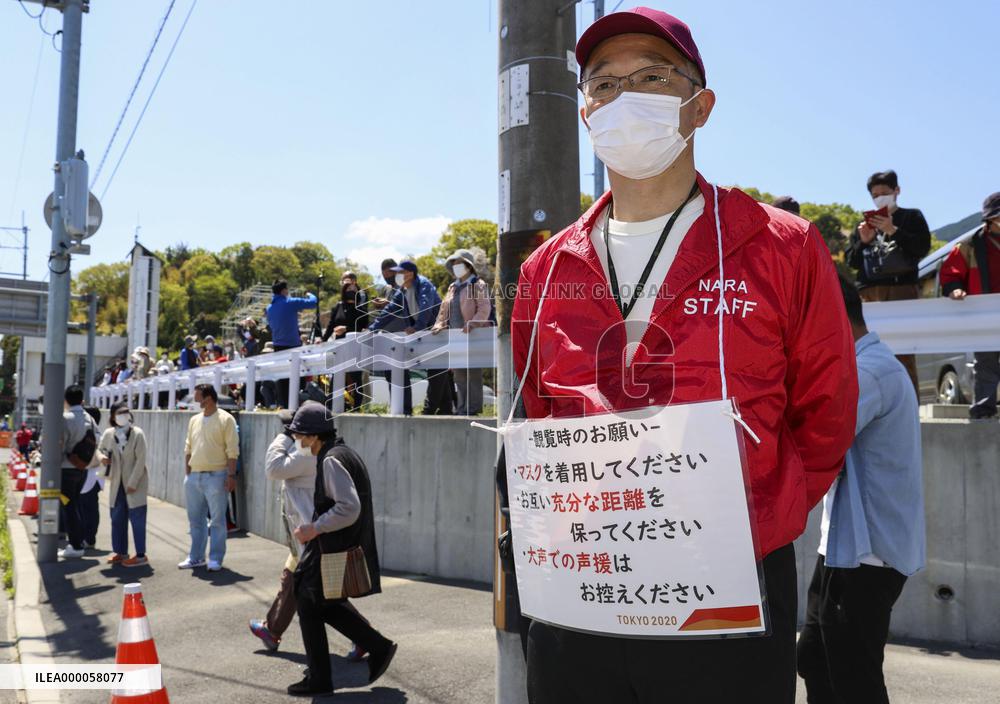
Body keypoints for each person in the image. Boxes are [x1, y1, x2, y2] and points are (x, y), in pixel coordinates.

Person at [509, 8, 857, 702]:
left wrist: (761, 515)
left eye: (650, 77)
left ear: (700, 107)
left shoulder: (781, 245)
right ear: (585, 115)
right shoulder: (545, 269)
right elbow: (539, 416)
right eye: (602, 85)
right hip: (587, 585)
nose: (621, 98)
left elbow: (826, 413)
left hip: (729, 586)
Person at [797, 277, 925, 703]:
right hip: (845, 548)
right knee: (816, 658)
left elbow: (819, 438)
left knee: (853, 677)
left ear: (832, 316)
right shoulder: (863, 366)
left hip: (868, 554)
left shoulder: (870, 372)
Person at [285, 401, 397, 697]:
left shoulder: (331, 459)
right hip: (340, 545)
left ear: (313, 435)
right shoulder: (343, 453)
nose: (298, 440)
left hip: (333, 546)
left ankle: (323, 677)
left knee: (309, 600)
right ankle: (375, 648)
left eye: (300, 435)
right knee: (320, 603)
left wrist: (314, 528)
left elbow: (349, 507)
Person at [847, 170, 931, 394]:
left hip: (901, 290)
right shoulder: (863, 225)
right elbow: (851, 261)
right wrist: (863, 242)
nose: (879, 198)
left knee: (904, 351)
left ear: (897, 191)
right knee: (865, 350)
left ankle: (909, 405)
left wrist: (893, 230)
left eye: (884, 193)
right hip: (869, 293)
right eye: (875, 194)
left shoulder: (912, 217)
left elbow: (922, 248)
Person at [939, 191, 1000, 418]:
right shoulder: (970, 245)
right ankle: (983, 411)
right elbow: (949, 272)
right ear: (990, 218)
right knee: (986, 364)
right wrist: (954, 288)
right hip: (983, 315)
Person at [180, 384, 239, 571]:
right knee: (195, 521)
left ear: (208, 398)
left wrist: (231, 475)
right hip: (194, 475)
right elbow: (188, 446)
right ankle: (196, 557)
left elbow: (232, 450)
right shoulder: (194, 420)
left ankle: (215, 558)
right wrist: (187, 472)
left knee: (218, 521)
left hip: (217, 475)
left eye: (198, 396)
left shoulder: (226, 419)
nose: (196, 400)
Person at [431, 248, 492, 415]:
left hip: (472, 335)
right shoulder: (452, 287)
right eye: (454, 264)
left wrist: (473, 323)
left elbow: (484, 308)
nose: (456, 267)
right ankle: (461, 408)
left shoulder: (477, 284)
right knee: (458, 374)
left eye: (459, 263)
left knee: (473, 373)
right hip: (455, 336)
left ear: (468, 266)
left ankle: (472, 409)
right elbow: (444, 310)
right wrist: (439, 325)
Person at [99, 402, 150, 567]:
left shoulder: (137, 434)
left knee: (137, 518)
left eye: (124, 413)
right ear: (113, 417)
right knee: (117, 518)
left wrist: (133, 482)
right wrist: (102, 458)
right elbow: (100, 450)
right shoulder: (109, 433)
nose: (122, 416)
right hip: (117, 482)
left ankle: (141, 555)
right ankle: (120, 552)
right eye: (118, 413)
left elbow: (141, 460)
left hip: (135, 483)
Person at [58, 385, 99, 560]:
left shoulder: (65, 418)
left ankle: (75, 545)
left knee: (68, 506)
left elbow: (59, 444)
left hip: (66, 469)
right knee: (75, 505)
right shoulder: (89, 417)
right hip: (82, 469)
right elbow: (97, 438)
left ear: (66, 400)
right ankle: (79, 541)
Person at [267, 280, 317, 406]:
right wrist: (310, 294)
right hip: (293, 346)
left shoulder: (269, 308)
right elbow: (313, 303)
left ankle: (283, 404)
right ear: (284, 290)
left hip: (277, 346)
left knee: (282, 377)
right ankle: (295, 404)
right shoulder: (289, 302)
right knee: (297, 377)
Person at [323, 280, 370, 411]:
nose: (352, 291)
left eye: (354, 289)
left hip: (355, 347)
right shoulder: (338, 306)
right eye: (349, 288)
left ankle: (357, 408)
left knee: (356, 379)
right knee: (335, 378)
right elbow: (331, 325)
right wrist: (322, 340)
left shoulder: (362, 308)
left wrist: (347, 328)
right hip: (339, 347)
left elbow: (364, 329)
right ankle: (332, 408)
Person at [79, 405, 104, 550]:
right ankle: (88, 538)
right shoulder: (96, 433)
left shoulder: (94, 435)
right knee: (89, 508)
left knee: (88, 509)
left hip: (90, 475)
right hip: (92, 476)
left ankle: (89, 538)